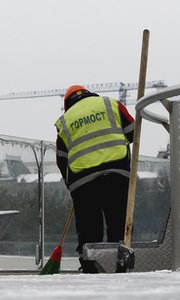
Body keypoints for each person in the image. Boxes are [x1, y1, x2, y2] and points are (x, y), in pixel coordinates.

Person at [54, 84, 135, 273]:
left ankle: (90, 267)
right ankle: (121, 264)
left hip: (82, 182)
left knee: (89, 229)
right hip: (116, 173)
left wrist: (71, 186)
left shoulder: (65, 120)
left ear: (67, 104)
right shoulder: (110, 104)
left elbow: (62, 159)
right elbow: (133, 131)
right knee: (118, 222)